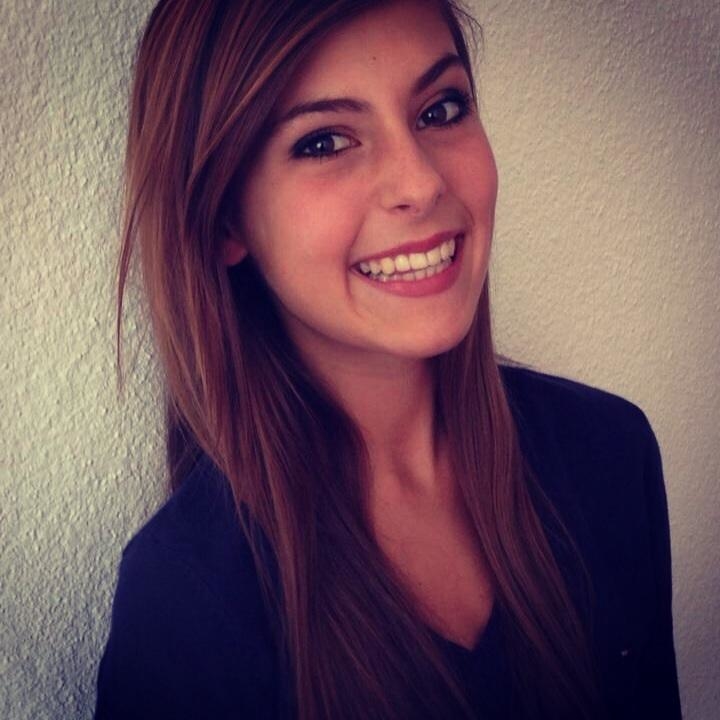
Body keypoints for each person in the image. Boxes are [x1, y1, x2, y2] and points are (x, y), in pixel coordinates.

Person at [94, 1, 682, 718]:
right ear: (224, 219)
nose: (421, 183)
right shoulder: (185, 603)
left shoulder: (611, 454)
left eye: (440, 110)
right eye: (324, 142)